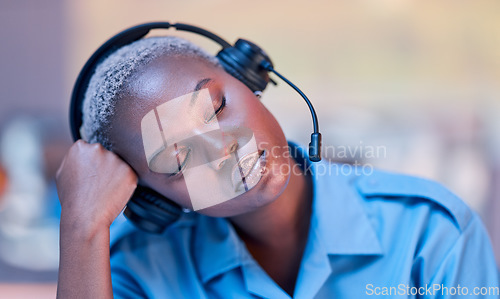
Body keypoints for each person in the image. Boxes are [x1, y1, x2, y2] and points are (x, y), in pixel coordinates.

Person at [56, 36, 499, 298]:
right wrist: (83, 229)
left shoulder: (430, 231)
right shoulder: (137, 270)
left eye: (215, 109)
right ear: (156, 200)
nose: (223, 150)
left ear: (251, 82)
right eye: (179, 158)